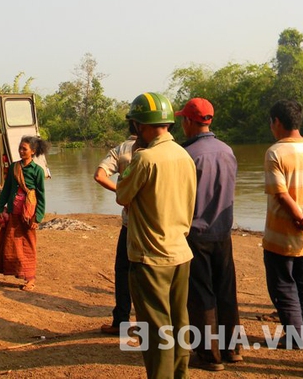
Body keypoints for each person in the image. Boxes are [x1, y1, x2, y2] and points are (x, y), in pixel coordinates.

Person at [116, 92, 197, 379]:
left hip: (151, 258)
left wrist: (136, 155)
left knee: (155, 330)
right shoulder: (184, 155)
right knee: (179, 323)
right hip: (180, 253)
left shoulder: (145, 158)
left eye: (135, 125)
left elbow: (122, 196)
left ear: (141, 126)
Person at [176, 98, 242, 371]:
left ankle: (209, 355)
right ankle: (233, 349)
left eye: (183, 119)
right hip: (223, 231)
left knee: (201, 294)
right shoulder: (227, 150)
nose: (182, 124)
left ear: (190, 122)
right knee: (226, 291)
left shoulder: (187, 155)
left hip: (196, 233)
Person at [263, 99, 303, 348]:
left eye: (271, 123)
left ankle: (296, 338)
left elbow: (280, 193)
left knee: (283, 286)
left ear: (277, 122)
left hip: (282, 235)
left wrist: (299, 218)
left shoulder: (275, 152)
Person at [0, 135, 49, 291]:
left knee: (27, 246)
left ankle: (30, 279)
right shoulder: (13, 167)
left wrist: (37, 217)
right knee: (3, 244)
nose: (21, 151)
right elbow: (7, 189)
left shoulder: (38, 171)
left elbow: (41, 195)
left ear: (32, 151)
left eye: (24, 149)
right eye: (20, 148)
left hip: (27, 214)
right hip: (12, 212)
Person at [94, 133, 136, 335]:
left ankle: (122, 321)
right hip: (160, 225)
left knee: (123, 272)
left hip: (131, 224)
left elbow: (99, 175)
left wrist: (122, 193)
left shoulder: (123, 149)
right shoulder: (170, 151)